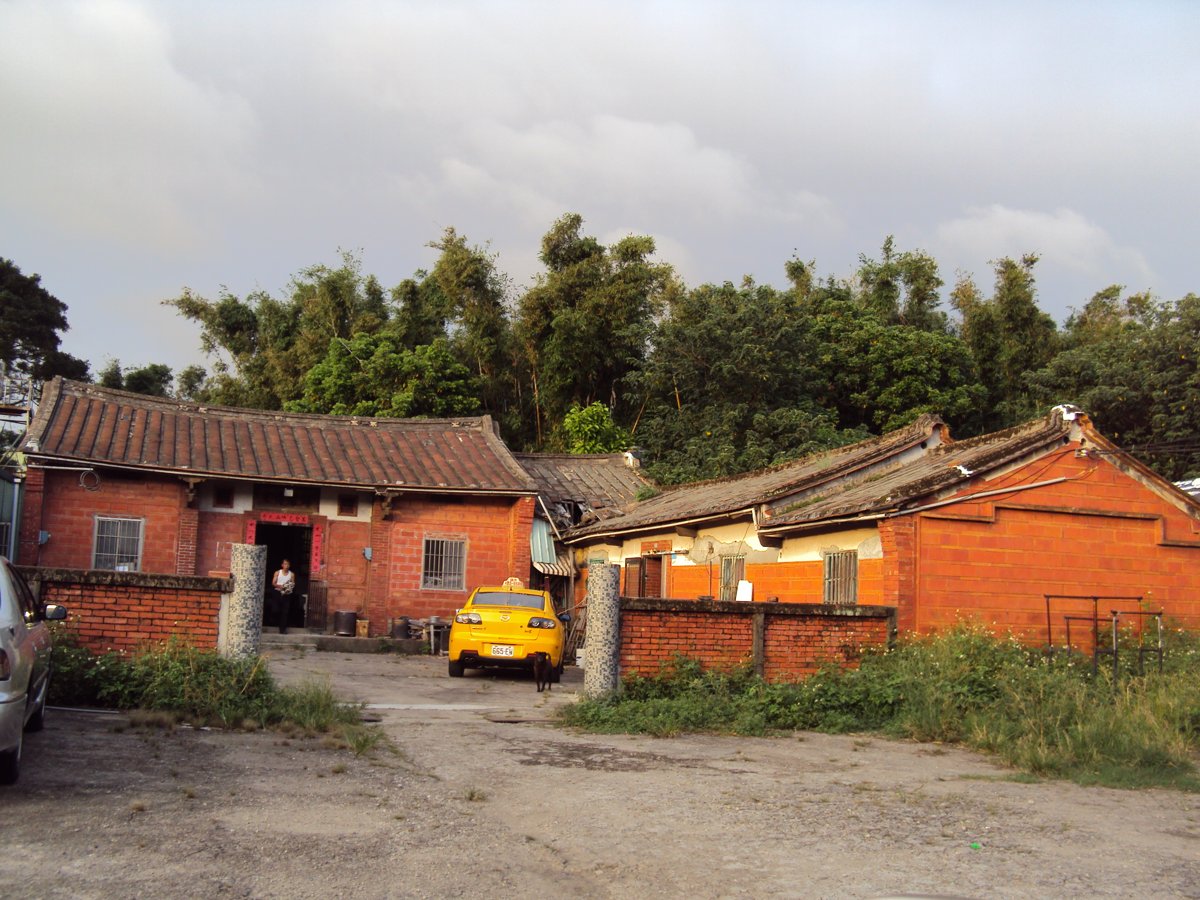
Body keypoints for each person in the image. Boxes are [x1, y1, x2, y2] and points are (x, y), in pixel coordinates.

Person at [271, 559, 296, 634]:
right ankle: (274, 622)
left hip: (286, 594)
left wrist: (286, 589)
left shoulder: (291, 574)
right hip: (277, 592)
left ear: (289, 565)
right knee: (275, 610)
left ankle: (282, 629)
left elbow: (292, 584)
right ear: (282, 565)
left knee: (285, 612)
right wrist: (280, 586)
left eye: (288, 564)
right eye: (285, 564)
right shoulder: (278, 572)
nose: (286, 566)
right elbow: (273, 583)